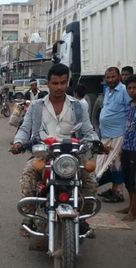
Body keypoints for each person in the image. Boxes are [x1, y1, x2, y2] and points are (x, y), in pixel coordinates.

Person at [11, 63, 99, 235]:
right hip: (44, 156)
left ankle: (82, 218)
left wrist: (96, 143)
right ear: (48, 84)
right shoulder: (36, 106)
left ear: (67, 83)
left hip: (72, 156)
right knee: (27, 179)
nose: (59, 87)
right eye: (55, 83)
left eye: (63, 83)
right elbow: (24, 128)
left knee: (90, 184)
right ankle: (29, 216)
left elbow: (89, 131)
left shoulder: (78, 106)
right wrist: (18, 142)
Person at [96, 67, 131, 203]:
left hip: (118, 134)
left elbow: (130, 110)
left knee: (115, 163)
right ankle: (113, 189)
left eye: (113, 77)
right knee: (105, 163)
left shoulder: (123, 90)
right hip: (106, 135)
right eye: (108, 77)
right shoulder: (107, 90)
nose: (110, 80)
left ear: (119, 77)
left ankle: (118, 193)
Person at [117, 75, 136, 221]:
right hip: (127, 146)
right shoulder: (130, 105)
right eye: (129, 88)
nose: (132, 91)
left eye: (135, 88)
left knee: (134, 181)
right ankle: (130, 206)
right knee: (127, 178)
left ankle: (134, 211)